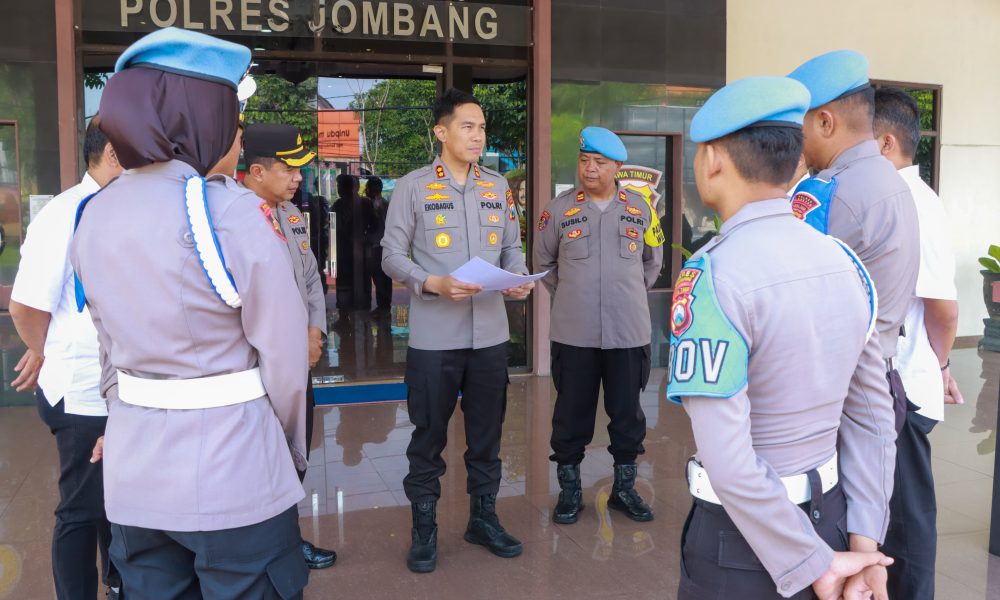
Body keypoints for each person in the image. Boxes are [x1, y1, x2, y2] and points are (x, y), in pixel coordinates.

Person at [71, 27, 309, 597]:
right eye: (229, 117)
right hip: (235, 474)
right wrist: (289, 449)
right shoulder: (228, 211)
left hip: (134, 476)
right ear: (201, 120)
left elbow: (108, 351)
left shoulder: (94, 213)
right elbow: (284, 359)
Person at [668, 76, 897, 600]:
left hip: (743, 547)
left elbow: (729, 462)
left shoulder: (712, 275)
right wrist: (863, 549)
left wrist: (814, 564)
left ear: (712, 160)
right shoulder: (845, 262)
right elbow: (872, 418)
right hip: (834, 522)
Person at [381, 88, 533, 574]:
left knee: (487, 436)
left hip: (490, 336)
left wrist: (518, 277)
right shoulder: (413, 187)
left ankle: (483, 520)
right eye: (468, 126)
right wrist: (432, 283)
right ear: (441, 132)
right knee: (427, 437)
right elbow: (391, 256)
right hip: (434, 339)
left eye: (482, 127)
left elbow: (512, 248)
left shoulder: (497, 186)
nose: (478, 135)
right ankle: (424, 529)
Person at [9, 117, 123, 600]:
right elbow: (24, 306)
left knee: (114, 502)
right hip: (81, 392)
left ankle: (117, 583)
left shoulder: (120, 208)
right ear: (113, 152)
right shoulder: (64, 214)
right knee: (81, 508)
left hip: (116, 388)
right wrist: (44, 350)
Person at [533, 126, 664, 525]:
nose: (589, 169)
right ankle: (570, 491)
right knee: (570, 414)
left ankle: (624, 489)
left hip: (628, 331)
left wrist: (624, 292)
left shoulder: (642, 209)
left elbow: (653, 262)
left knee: (627, 414)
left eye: (599, 162)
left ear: (617, 167)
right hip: (574, 332)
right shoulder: (558, 210)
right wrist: (577, 295)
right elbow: (543, 264)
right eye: (584, 160)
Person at [788, 50, 920, 432]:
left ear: (825, 122)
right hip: (880, 376)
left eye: (799, 130)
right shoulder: (892, 182)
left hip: (839, 390)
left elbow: (793, 300)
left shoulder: (828, 193)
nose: (798, 144)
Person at [873, 86, 963, 599]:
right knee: (886, 509)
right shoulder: (889, 198)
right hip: (890, 381)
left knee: (906, 519)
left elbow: (943, 310)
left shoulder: (915, 203)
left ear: (886, 143)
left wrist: (941, 365)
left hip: (903, 384)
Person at [241, 123, 337, 571]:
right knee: (262, 456)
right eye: (289, 169)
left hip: (299, 363)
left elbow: (312, 279)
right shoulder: (237, 219)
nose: (299, 177)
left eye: (300, 169)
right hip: (259, 366)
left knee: (297, 449)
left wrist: (314, 333)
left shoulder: (292, 215)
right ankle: (265, 546)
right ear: (257, 171)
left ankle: (287, 539)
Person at [332, 173, 375, 314]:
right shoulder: (337, 205)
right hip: (344, 252)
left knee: (360, 283)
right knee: (345, 284)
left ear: (349, 188)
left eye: (340, 186)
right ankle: (344, 314)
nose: (338, 189)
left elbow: (374, 226)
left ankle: (361, 312)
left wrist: (363, 240)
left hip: (359, 253)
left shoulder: (365, 204)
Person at [364, 176, 393, 314]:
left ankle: (383, 306)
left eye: (368, 188)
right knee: (385, 277)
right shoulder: (387, 204)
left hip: (376, 246)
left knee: (379, 277)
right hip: (387, 245)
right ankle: (385, 305)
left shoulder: (371, 205)